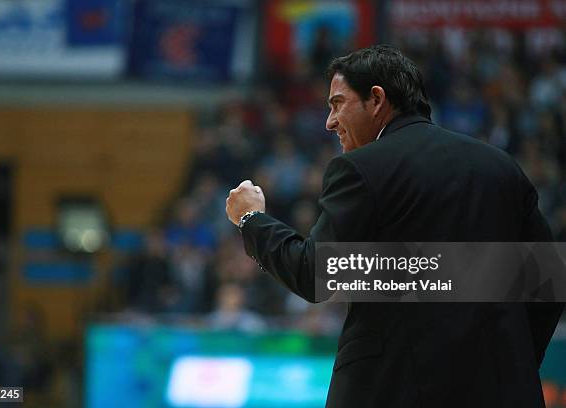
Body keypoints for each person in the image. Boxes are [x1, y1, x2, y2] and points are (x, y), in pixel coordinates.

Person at [225, 45, 564, 407]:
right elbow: (550, 283)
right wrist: (513, 364)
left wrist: (251, 220)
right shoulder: (502, 167)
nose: (329, 121)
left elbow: (316, 274)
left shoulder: (362, 167)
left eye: (337, 103)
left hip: (394, 390)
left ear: (376, 99)